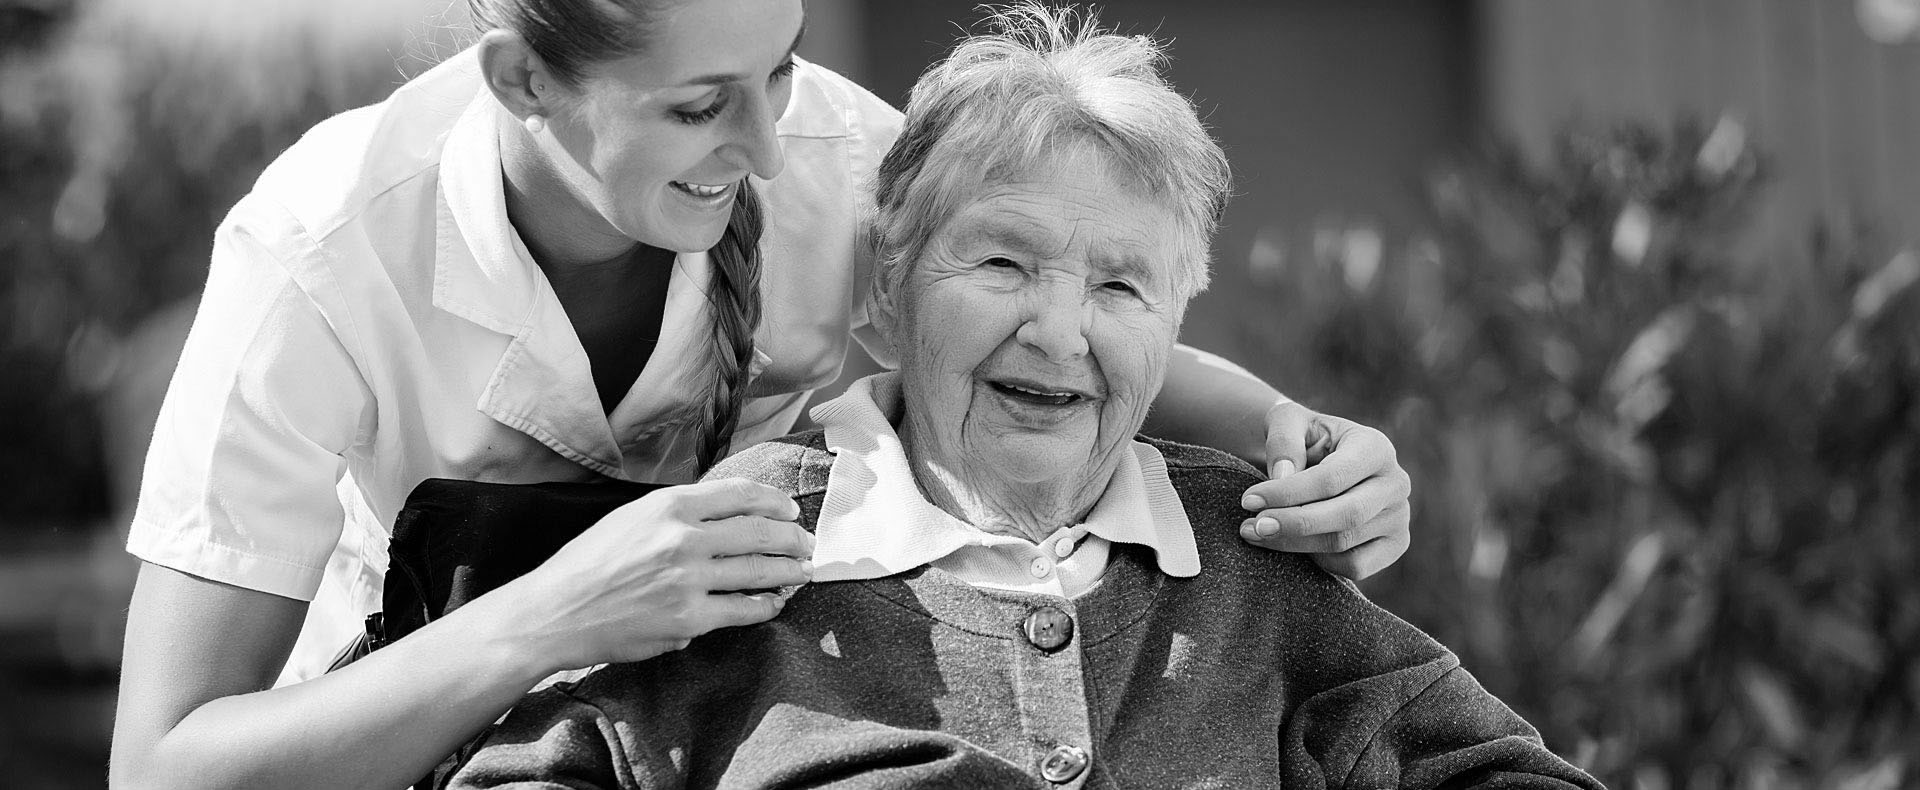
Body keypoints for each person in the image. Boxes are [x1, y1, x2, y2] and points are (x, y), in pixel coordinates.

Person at [110, 1, 1412, 788]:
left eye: (781, 67)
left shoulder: (840, 160)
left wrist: (1290, 437)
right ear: (519, 82)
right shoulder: (320, 259)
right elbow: (167, 765)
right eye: (697, 107)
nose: (771, 145)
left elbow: (1046, 328)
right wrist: (555, 614)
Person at [444, 7, 1598, 788]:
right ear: (887, 290)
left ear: (1175, 323)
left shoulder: (1253, 563)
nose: (1059, 329)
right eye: (1002, 265)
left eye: (1120, 285)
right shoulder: (740, 551)